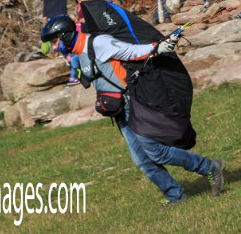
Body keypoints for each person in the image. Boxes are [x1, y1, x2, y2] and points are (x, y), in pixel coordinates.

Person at [39, 16, 225, 206]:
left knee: (157, 153)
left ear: (66, 35)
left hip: (133, 105)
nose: (54, 47)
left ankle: (209, 167)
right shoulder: (78, 54)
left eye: (55, 41)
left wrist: (158, 47)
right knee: (142, 161)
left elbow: (131, 51)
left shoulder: (98, 42)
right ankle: (175, 195)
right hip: (119, 112)